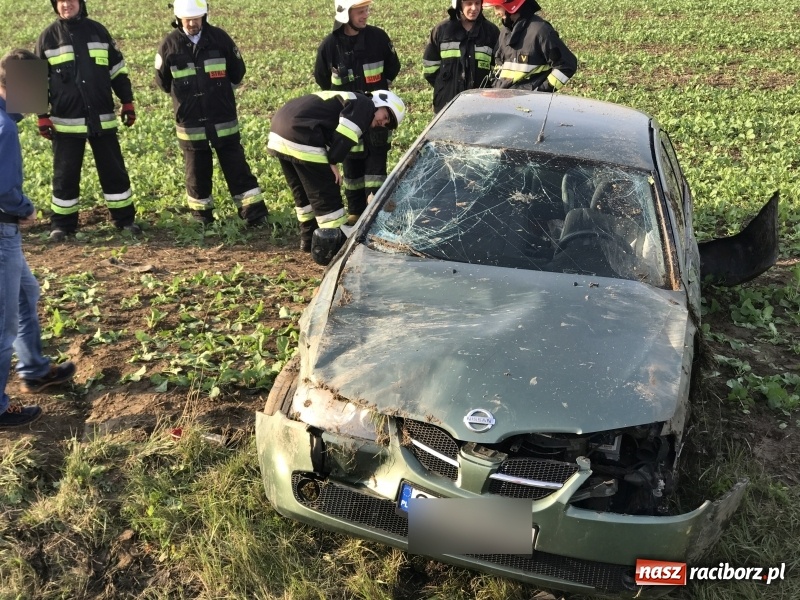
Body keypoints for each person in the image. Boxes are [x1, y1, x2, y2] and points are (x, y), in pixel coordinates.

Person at [0, 49, 76, 429]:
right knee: (3, 324)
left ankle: (34, 369)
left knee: (26, 294)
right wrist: (25, 208)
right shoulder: (5, 127)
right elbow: (5, 189)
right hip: (2, 231)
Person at [155, 0, 268, 226]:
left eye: (196, 19)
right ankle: (201, 217)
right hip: (190, 123)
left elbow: (238, 72)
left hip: (222, 119)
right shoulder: (168, 45)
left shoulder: (220, 39)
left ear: (204, 17)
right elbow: (163, 82)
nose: (193, 23)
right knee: (196, 170)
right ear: (179, 19)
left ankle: (254, 213)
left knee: (236, 165)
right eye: (188, 20)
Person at [35, 0, 140, 241]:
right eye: (60, 1)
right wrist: (41, 116)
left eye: (70, 0)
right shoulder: (47, 37)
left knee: (114, 171)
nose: (66, 5)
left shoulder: (99, 31)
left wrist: (127, 101)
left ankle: (125, 220)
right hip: (65, 122)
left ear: (81, 3)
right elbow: (34, 78)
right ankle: (62, 226)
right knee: (65, 175)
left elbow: (117, 70)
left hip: (102, 119)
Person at [267, 90, 405, 254]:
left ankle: (309, 239)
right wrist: (332, 161)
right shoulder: (365, 105)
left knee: (303, 194)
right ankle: (333, 248)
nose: (383, 123)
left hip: (279, 132)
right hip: (302, 134)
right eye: (386, 117)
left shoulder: (348, 98)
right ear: (380, 103)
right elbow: (345, 135)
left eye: (387, 124)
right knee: (327, 197)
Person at [314, 0, 401, 225]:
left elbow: (393, 67)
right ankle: (355, 214)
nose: (365, 15)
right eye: (360, 12)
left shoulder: (378, 38)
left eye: (366, 10)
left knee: (376, 171)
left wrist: (378, 98)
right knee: (351, 171)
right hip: (348, 122)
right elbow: (323, 80)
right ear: (345, 14)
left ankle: (377, 217)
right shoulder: (330, 46)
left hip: (377, 120)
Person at [423, 0, 500, 113]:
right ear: (458, 5)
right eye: (469, 3)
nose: (474, 8)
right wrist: (445, 88)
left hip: (481, 107)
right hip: (446, 106)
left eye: (477, 3)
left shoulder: (491, 32)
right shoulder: (441, 31)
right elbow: (430, 68)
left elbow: (498, 68)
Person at [483, 0, 577, 92]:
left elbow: (567, 65)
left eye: (498, 7)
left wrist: (540, 91)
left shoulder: (541, 32)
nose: (496, 13)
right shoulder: (505, 32)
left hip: (530, 104)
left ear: (512, 5)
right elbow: (498, 65)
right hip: (505, 100)